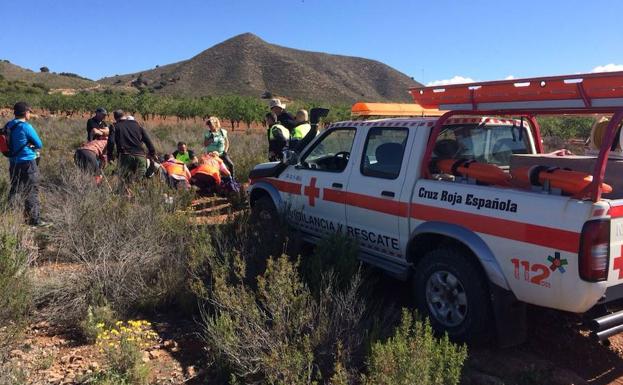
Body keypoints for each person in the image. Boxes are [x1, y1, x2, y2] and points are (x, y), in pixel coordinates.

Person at [5, 102, 45, 226]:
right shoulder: (26, 127)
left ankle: (9, 216)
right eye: (29, 112)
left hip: (13, 163)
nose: (30, 114)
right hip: (28, 163)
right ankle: (34, 221)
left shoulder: (8, 125)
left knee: (15, 189)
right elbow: (39, 144)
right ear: (26, 112)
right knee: (31, 191)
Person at [107, 110, 156, 184]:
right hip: (140, 157)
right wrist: (152, 153)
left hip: (125, 156)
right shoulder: (137, 125)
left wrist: (110, 155)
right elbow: (147, 140)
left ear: (115, 118)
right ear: (124, 115)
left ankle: (125, 194)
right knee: (137, 183)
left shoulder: (114, 126)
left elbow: (111, 142)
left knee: (124, 181)